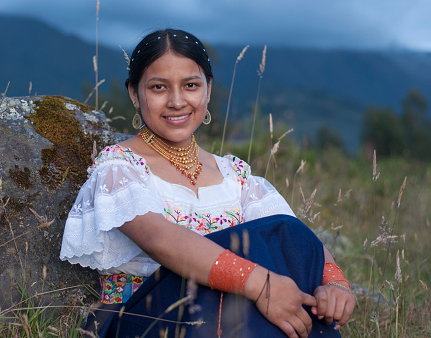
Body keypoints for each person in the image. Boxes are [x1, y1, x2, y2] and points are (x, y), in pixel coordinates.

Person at [60, 28, 355, 337]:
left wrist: (334, 284)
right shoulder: (120, 167)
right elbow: (161, 240)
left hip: (229, 319)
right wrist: (262, 286)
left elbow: (296, 239)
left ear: (208, 89)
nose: (177, 101)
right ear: (134, 93)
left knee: (287, 230)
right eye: (159, 87)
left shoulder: (234, 176)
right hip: (149, 319)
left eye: (190, 85)